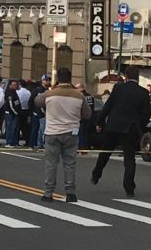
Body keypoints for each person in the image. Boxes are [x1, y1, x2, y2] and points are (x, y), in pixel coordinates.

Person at [90, 66, 151, 197]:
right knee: (129, 159)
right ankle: (129, 187)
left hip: (114, 126)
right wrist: (139, 127)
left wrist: (100, 122)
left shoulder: (118, 88)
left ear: (126, 76)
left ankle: (96, 174)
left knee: (105, 152)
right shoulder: (143, 93)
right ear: (138, 77)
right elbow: (146, 115)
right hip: (130, 129)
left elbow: (108, 106)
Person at [34, 67, 91, 202]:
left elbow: (37, 102)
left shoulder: (49, 94)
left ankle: (48, 193)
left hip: (52, 132)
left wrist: (49, 90)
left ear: (58, 79)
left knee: (51, 164)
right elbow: (87, 114)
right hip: (71, 132)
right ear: (70, 79)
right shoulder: (79, 95)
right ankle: (70, 193)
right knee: (70, 163)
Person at [29, 76, 51, 149]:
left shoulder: (47, 90)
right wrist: (36, 110)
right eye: (46, 80)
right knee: (37, 129)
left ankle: (36, 143)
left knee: (41, 129)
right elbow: (34, 102)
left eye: (49, 80)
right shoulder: (39, 90)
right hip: (39, 112)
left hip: (43, 112)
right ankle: (34, 143)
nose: (48, 82)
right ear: (42, 81)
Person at [75, 83, 95, 149]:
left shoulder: (80, 96)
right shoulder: (90, 96)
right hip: (89, 118)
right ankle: (85, 147)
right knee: (86, 133)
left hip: (81, 118)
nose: (75, 89)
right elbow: (92, 108)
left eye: (76, 88)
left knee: (80, 133)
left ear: (81, 88)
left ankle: (81, 147)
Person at [3, 80, 21, 147]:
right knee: (10, 128)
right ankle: (9, 142)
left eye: (15, 85)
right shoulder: (9, 93)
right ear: (10, 85)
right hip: (11, 113)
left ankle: (14, 142)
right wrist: (15, 112)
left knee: (15, 128)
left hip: (15, 112)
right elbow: (10, 104)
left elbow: (16, 102)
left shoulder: (14, 92)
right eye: (13, 85)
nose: (14, 86)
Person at [17, 79, 32, 146]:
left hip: (20, 110)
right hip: (27, 110)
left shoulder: (18, 92)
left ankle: (16, 141)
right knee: (25, 127)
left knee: (18, 126)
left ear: (20, 84)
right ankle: (27, 141)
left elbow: (17, 101)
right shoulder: (28, 92)